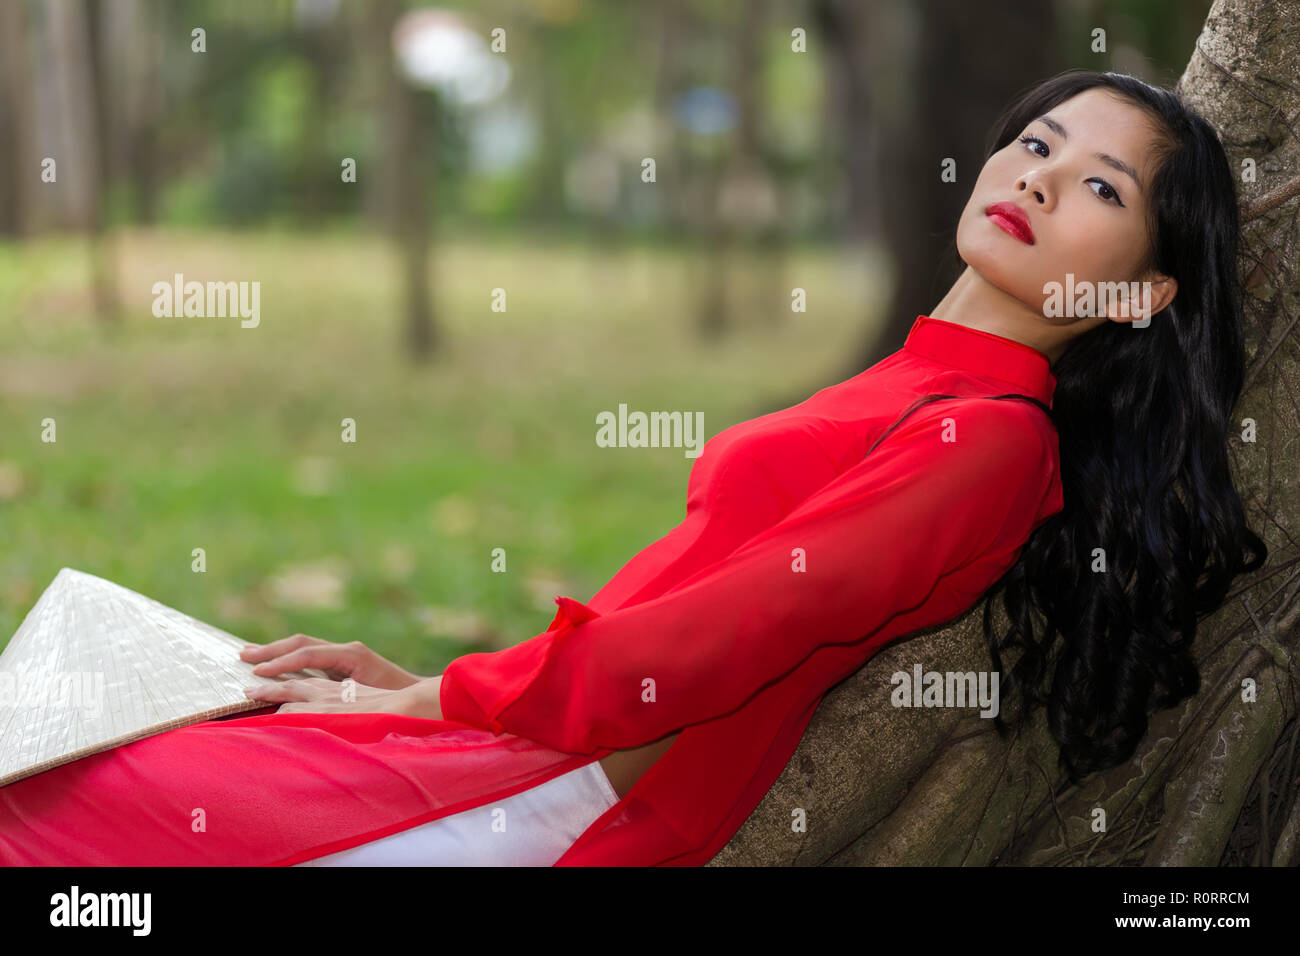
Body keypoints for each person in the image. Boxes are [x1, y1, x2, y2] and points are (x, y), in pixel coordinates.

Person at [0, 69, 1266, 866]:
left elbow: (713, 639)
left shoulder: (991, 438)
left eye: (1095, 182)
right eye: (1036, 141)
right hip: (522, 753)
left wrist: (412, 708)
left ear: (1146, 291)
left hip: (548, 811)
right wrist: (438, 682)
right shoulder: (923, 382)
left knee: (58, 798)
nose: (1038, 178)